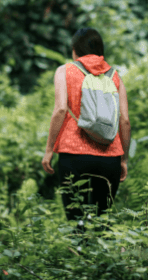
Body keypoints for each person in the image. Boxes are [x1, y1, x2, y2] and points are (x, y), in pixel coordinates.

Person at [41, 28, 131, 221]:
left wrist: (49, 150)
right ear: (100, 50)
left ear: (75, 50)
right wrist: (123, 159)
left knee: (76, 222)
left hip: (73, 155)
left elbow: (60, 110)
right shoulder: (114, 76)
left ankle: (79, 251)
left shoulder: (65, 71)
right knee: (101, 223)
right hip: (110, 157)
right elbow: (124, 120)